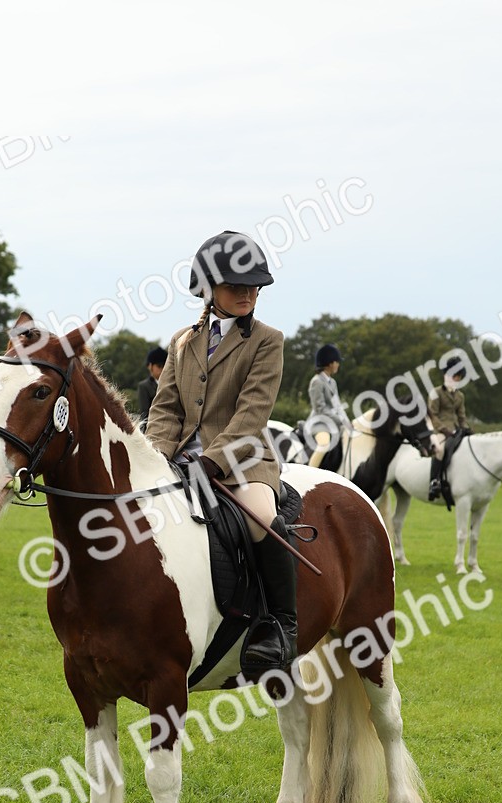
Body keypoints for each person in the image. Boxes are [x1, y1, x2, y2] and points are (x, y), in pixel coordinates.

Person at [145, 230, 295, 669]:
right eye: (236, 285)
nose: (248, 293)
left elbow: (252, 415)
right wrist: (155, 459)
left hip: (242, 464)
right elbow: (165, 409)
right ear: (208, 289)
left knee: (262, 521)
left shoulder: (268, 340)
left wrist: (210, 462)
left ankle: (280, 625)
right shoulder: (182, 340)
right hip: (178, 464)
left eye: (254, 286)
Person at [427, 355, 471, 500]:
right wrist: (443, 429)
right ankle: (434, 482)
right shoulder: (436, 392)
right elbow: (432, 414)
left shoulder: (460, 396)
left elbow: (462, 416)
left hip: (455, 430)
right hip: (439, 430)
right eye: (454, 376)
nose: (456, 379)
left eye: (458, 377)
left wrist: (467, 429)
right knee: (439, 450)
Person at [305, 343, 352, 466]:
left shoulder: (333, 383)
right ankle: (310, 473)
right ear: (329, 363)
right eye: (336, 362)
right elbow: (319, 409)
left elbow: (337, 406)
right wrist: (339, 420)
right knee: (324, 445)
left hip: (332, 422)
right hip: (319, 423)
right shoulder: (317, 382)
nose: (338, 365)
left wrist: (347, 422)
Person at [137, 346, 168, 430]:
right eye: (159, 366)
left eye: (165, 366)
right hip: (154, 429)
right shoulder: (144, 386)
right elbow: (144, 414)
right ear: (150, 366)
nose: (162, 369)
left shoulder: (173, 384)